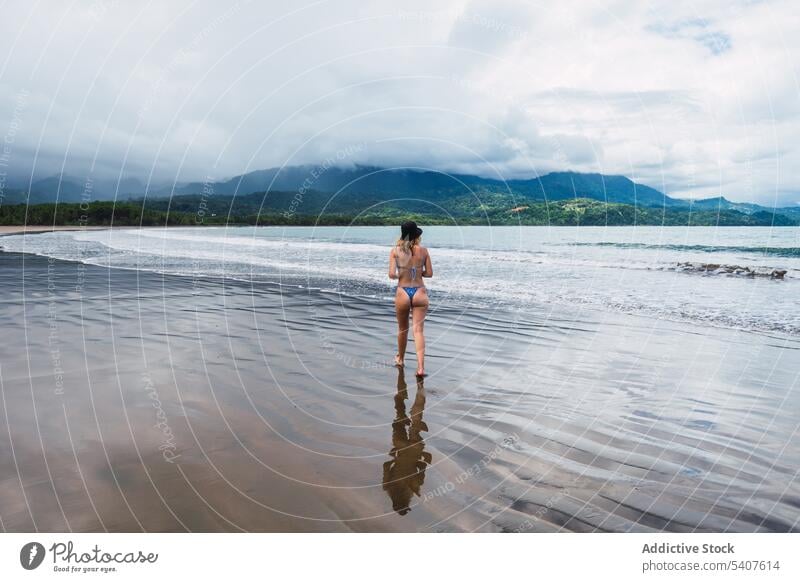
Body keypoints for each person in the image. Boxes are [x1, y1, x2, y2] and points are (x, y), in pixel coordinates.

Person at [388, 221, 433, 377]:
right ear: (416, 235)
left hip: (403, 292)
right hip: (420, 292)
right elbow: (429, 274)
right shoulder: (424, 251)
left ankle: (400, 359)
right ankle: (420, 368)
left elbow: (391, 274)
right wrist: (418, 272)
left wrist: (403, 272)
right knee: (418, 331)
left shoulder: (395, 251)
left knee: (402, 329)